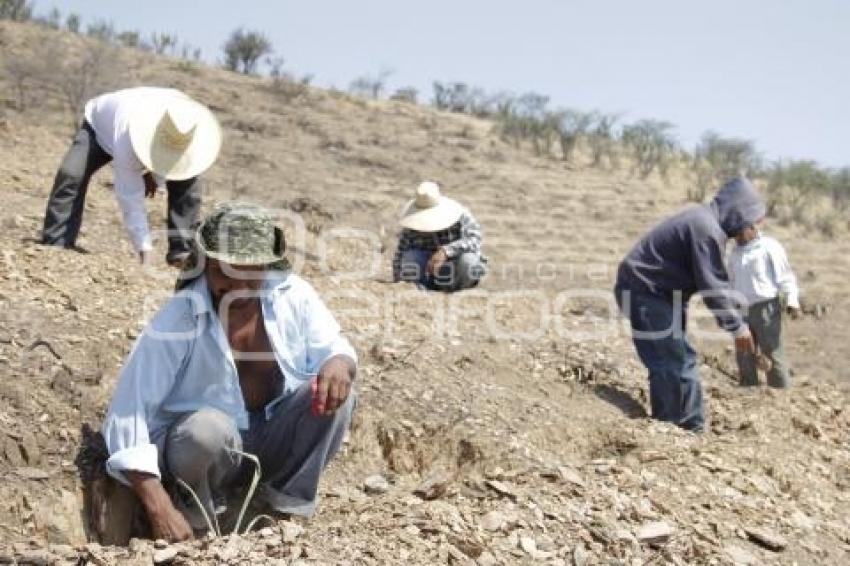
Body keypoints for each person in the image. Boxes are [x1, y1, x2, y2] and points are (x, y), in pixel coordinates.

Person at [101, 202, 357, 541]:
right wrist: (157, 505)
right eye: (226, 273)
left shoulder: (292, 295)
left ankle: (284, 508)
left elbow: (336, 347)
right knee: (205, 429)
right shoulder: (178, 320)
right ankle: (196, 510)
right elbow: (126, 415)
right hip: (198, 455)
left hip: (266, 441)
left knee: (336, 393)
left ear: (267, 265)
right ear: (205, 264)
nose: (238, 286)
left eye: (250, 274)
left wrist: (338, 362)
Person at [614, 177, 764, 432]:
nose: (755, 231)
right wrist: (737, 328)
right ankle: (675, 429)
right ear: (739, 214)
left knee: (674, 358)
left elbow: (717, 284)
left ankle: (684, 426)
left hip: (661, 294)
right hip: (645, 291)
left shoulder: (706, 224)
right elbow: (713, 286)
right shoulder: (705, 228)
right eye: (753, 223)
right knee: (674, 360)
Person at [41, 86, 222, 266]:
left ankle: (182, 251)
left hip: (151, 133)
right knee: (71, 174)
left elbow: (170, 146)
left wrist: (156, 176)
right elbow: (130, 196)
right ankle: (57, 242)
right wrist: (144, 247)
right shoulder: (127, 138)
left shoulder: (183, 117)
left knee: (189, 178)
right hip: (98, 129)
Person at [728, 222, 800, 388]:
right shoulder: (734, 253)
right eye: (734, 234)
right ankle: (749, 391)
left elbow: (785, 276)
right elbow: (730, 281)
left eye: (740, 233)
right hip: (741, 309)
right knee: (744, 352)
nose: (737, 237)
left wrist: (792, 301)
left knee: (772, 352)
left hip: (766, 308)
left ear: (752, 229)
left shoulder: (769, 246)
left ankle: (779, 393)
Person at [392, 181, 486, 291]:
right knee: (410, 257)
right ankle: (420, 290)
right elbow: (401, 253)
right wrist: (397, 281)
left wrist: (446, 251)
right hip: (428, 275)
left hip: (457, 271)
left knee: (468, 261)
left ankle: (461, 290)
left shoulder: (461, 216)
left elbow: (475, 239)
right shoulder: (411, 228)